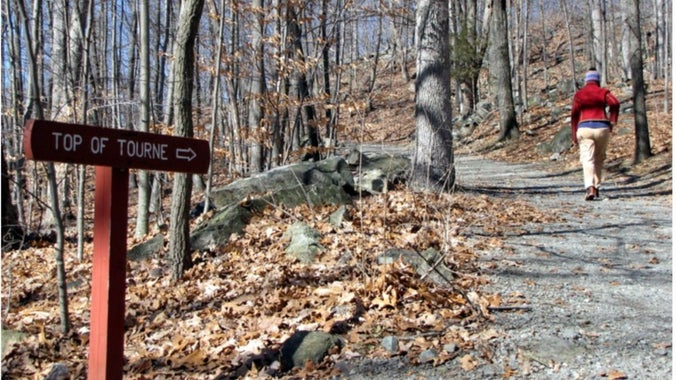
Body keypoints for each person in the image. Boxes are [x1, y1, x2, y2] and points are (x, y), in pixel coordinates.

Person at [570, 68, 620, 201]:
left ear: (586, 80)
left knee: (587, 159)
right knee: (599, 157)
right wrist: (613, 120)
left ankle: (590, 187)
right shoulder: (603, 92)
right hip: (602, 127)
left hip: (584, 128)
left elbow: (574, 115)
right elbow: (615, 103)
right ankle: (597, 187)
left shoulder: (579, 94)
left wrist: (574, 135)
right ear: (597, 80)